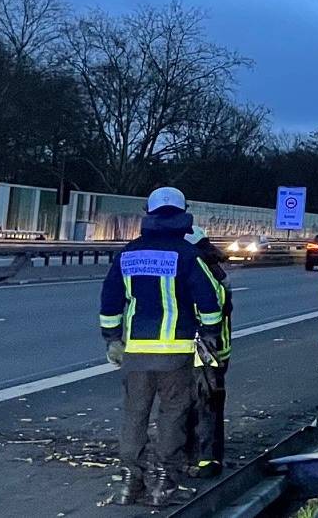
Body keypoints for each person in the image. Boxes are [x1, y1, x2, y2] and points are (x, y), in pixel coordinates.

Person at [98, 187, 225, 507]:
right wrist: (210, 335)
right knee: (172, 415)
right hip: (176, 355)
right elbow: (210, 303)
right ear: (183, 213)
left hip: (136, 353)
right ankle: (163, 485)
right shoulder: (188, 255)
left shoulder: (128, 254)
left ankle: (130, 481)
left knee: (134, 415)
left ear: (149, 214)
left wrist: (112, 339)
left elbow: (110, 300)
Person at [182, 227, 232, 479]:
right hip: (215, 351)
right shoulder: (216, 273)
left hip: (201, 352)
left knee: (201, 408)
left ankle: (202, 461)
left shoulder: (201, 275)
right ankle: (208, 459)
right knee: (210, 406)